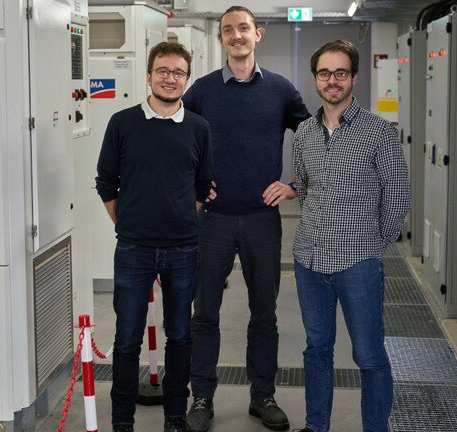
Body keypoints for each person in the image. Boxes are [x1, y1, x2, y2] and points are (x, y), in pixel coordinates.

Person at [181, 6, 310, 432]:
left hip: (261, 220)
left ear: (258, 34)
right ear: (220, 39)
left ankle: (263, 396)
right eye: (228, 30)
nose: (236, 36)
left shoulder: (280, 89)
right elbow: (176, 139)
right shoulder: (201, 92)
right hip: (214, 221)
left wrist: (294, 185)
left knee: (264, 314)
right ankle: (201, 397)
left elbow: (313, 137)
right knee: (204, 313)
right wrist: (194, 186)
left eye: (243, 28)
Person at [290, 40, 410, 432]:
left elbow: (397, 196)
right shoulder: (304, 132)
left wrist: (373, 245)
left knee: (369, 356)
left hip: (358, 264)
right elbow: (304, 187)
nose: (333, 80)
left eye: (341, 73)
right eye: (325, 73)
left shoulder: (379, 132)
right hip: (309, 261)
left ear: (354, 78)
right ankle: (316, 426)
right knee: (316, 350)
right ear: (315, 79)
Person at [95, 41, 215, 432]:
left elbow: (203, 186)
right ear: (148, 76)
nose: (170, 78)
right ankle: (122, 421)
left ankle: (175, 417)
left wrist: (179, 217)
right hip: (134, 248)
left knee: (180, 336)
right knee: (127, 339)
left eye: (178, 72)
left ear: (187, 79)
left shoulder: (198, 128)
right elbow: (106, 181)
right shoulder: (122, 123)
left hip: (183, 248)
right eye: (163, 70)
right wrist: (127, 221)